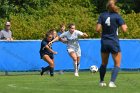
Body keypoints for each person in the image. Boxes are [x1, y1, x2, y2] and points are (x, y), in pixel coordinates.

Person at [96, 0, 127, 87]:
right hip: (113, 41)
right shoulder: (117, 16)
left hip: (104, 41)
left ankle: (101, 82)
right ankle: (111, 82)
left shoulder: (102, 15)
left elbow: (97, 29)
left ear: (107, 7)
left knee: (103, 63)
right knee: (117, 64)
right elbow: (124, 29)